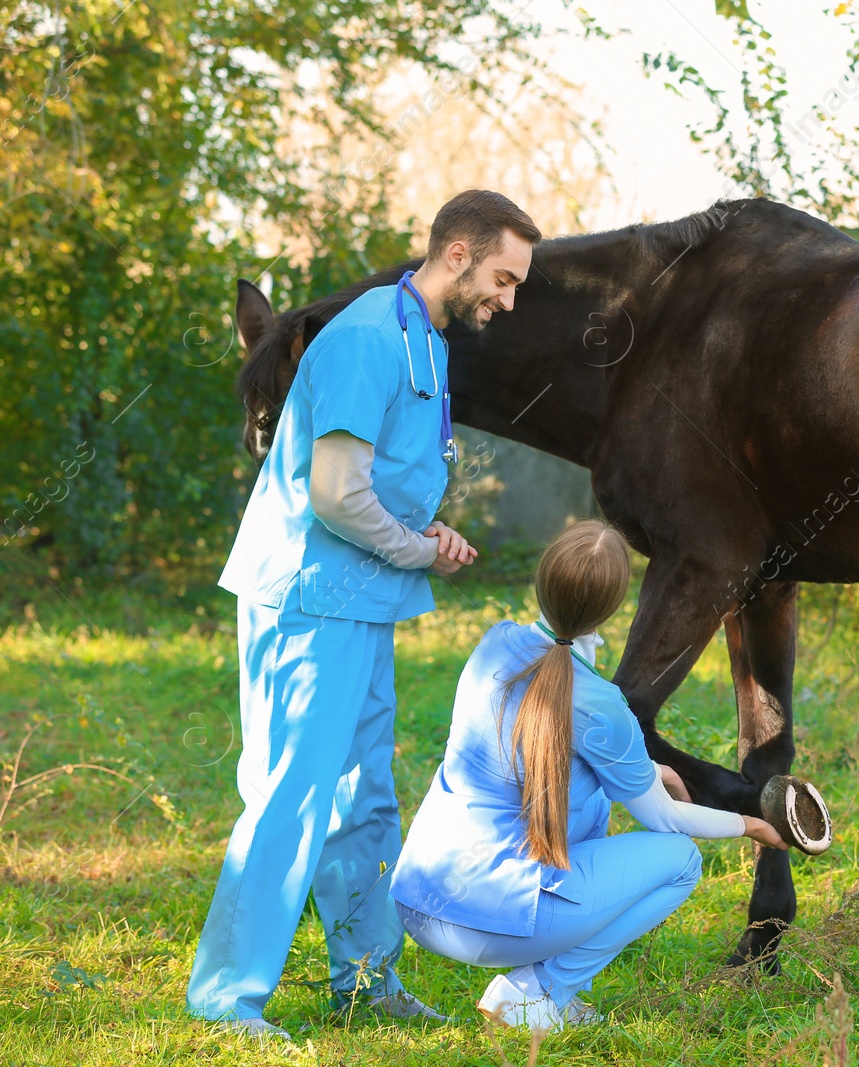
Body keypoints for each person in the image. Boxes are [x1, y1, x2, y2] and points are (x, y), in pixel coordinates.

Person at [188, 190, 541, 1040]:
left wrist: (426, 529)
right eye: (504, 276)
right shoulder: (366, 338)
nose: (509, 298)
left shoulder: (423, 338)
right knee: (289, 798)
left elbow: (374, 480)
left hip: (360, 600)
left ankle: (366, 978)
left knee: (364, 798)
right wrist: (418, 547)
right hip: (310, 600)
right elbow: (336, 493)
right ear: (457, 254)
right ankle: (227, 1002)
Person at [390, 519, 788, 1030]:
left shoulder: (494, 644)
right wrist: (751, 825)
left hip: (418, 900)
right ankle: (538, 991)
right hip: (485, 926)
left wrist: (652, 770)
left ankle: (541, 987)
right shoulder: (603, 704)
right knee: (681, 860)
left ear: (543, 581)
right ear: (615, 605)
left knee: (584, 795)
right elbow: (665, 823)